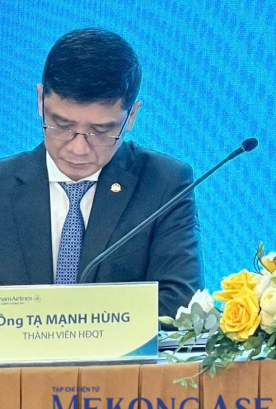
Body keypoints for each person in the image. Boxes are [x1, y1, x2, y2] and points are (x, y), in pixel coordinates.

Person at [0, 29, 202, 316]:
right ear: (40, 100)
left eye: (101, 131)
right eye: (62, 125)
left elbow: (180, 305)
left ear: (131, 116)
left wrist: (85, 325)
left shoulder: (165, 184)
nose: (78, 148)